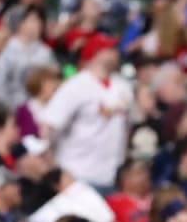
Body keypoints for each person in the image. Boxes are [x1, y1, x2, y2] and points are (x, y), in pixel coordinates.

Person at [41, 33, 132, 190]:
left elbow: (127, 126)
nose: (115, 52)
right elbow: (49, 125)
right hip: (76, 173)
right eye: (109, 48)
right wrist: (52, 166)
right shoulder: (76, 85)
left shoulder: (123, 86)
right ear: (95, 53)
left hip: (110, 175)